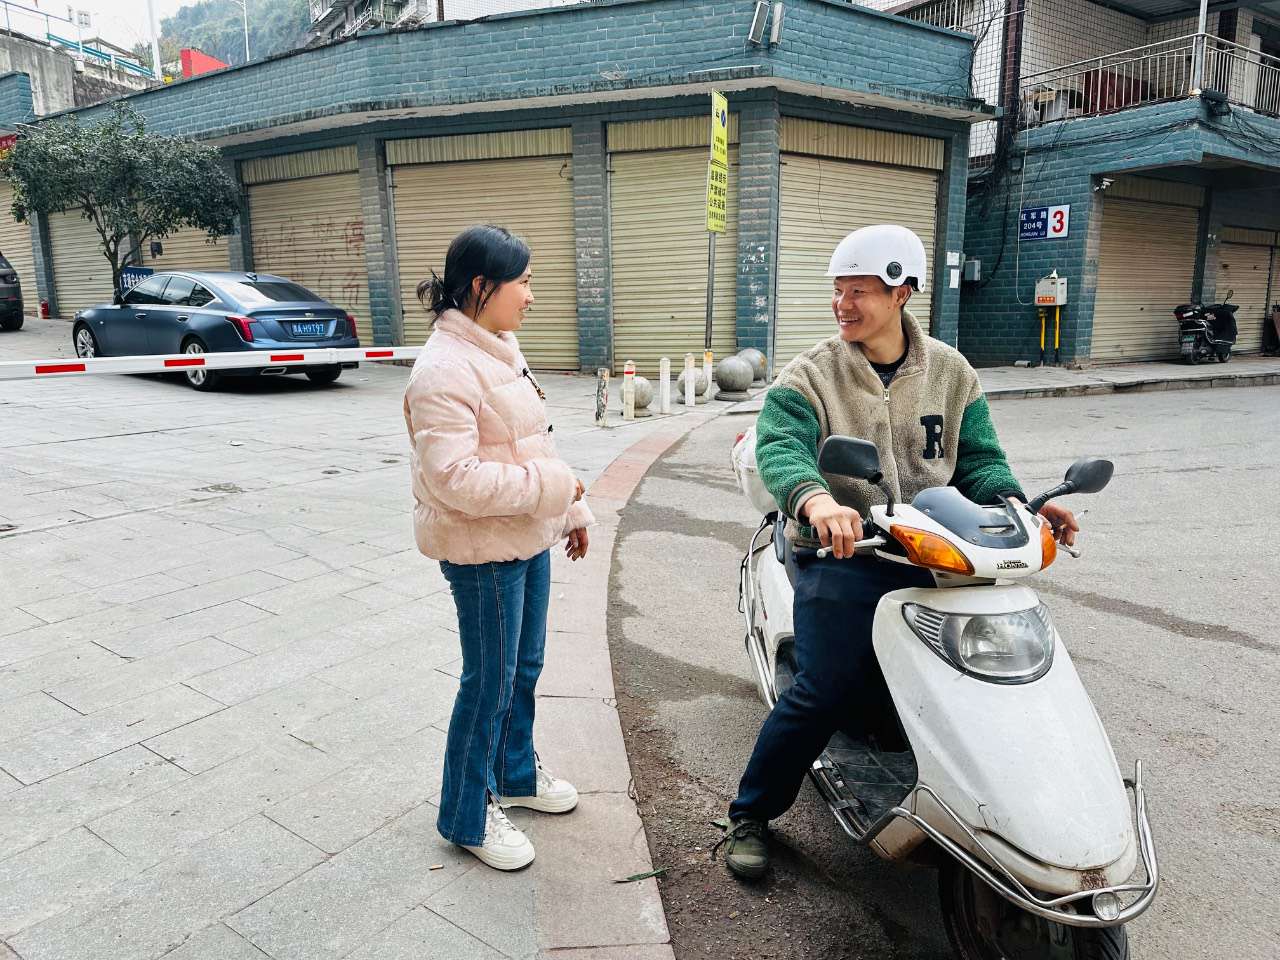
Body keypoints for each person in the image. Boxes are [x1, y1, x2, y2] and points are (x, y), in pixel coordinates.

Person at [716, 224, 1079, 879]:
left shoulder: (951, 372)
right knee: (823, 689)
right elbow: (780, 446)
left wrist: (1021, 508)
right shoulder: (813, 373)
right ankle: (750, 813)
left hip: (938, 553)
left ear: (902, 292)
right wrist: (816, 501)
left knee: (997, 667)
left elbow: (981, 461)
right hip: (846, 552)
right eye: (838, 290)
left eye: (859, 292)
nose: (843, 304)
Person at [403, 224, 593, 871]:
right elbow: (453, 478)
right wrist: (555, 487)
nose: (532, 296)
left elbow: (533, 442)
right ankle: (466, 814)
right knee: (489, 683)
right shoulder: (443, 369)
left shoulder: (501, 347)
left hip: (526, 535)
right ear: (482, 286)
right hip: (481, 551)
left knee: (525, 668)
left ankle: (514, 774)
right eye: (525, 282)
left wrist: (570, 509)